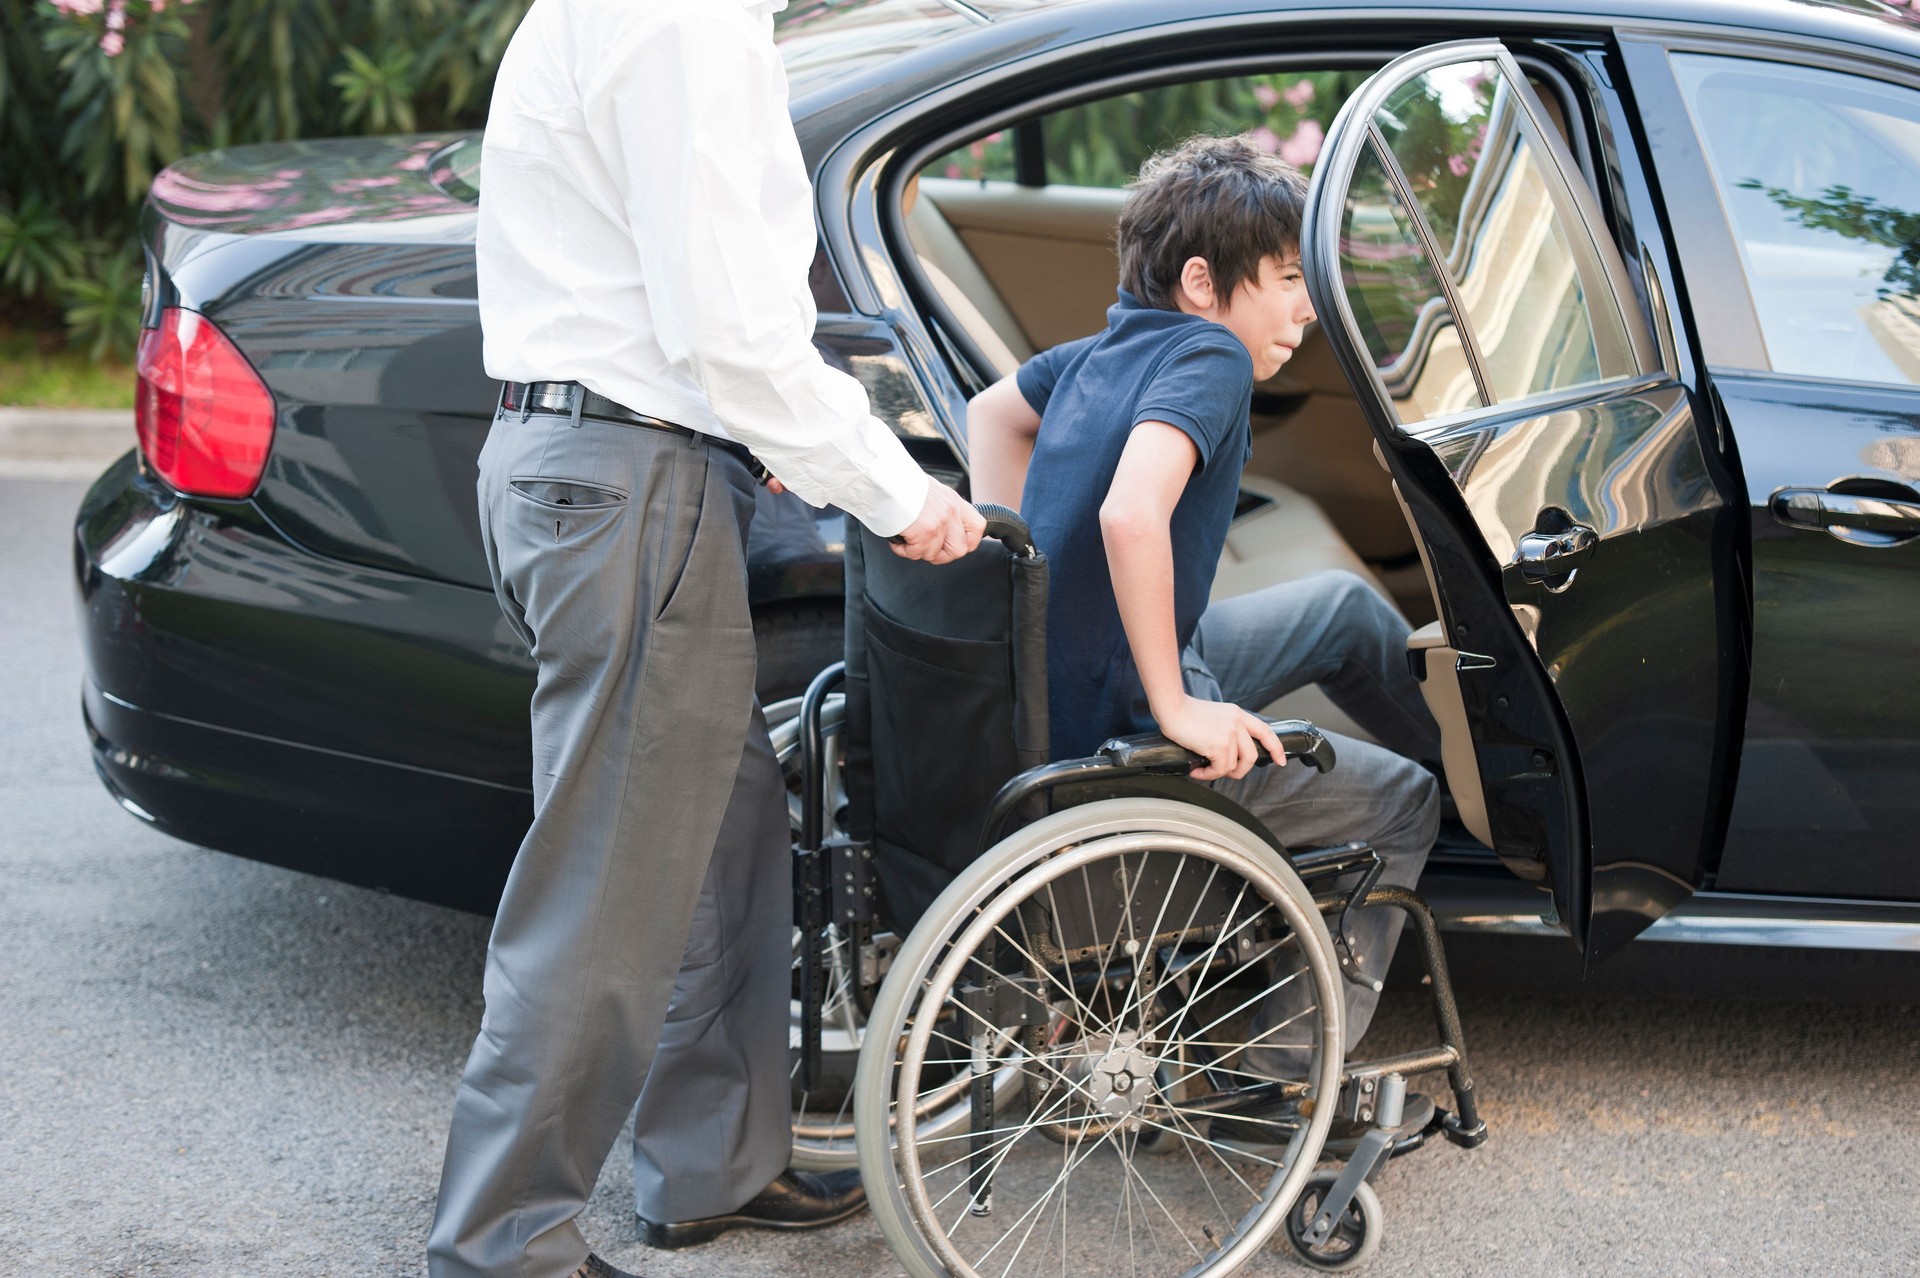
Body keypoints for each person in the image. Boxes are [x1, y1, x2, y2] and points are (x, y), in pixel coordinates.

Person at [426, 0, 985, 1274]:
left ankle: (714, 1164)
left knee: (729, 829)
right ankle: (501, 1242)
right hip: (628, 482)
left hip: (600, 466)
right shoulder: (679, 20)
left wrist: (763, 443)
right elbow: (731, 331)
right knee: (606, 886)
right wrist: (895, 496)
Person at [965, 133, 1441, 1143]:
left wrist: (1019, 593)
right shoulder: (1210, 356)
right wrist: (1178, 708)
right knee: (1405, 799)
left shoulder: (1101, 349)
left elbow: (989, 416)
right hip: (1119, 727)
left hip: (1085, 675)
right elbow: (1132, 515)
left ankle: (1495, 779)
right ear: (1201, 282)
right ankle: (1275, 1082)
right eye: (1284, 282)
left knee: (1343, 610)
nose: (1306, 308)